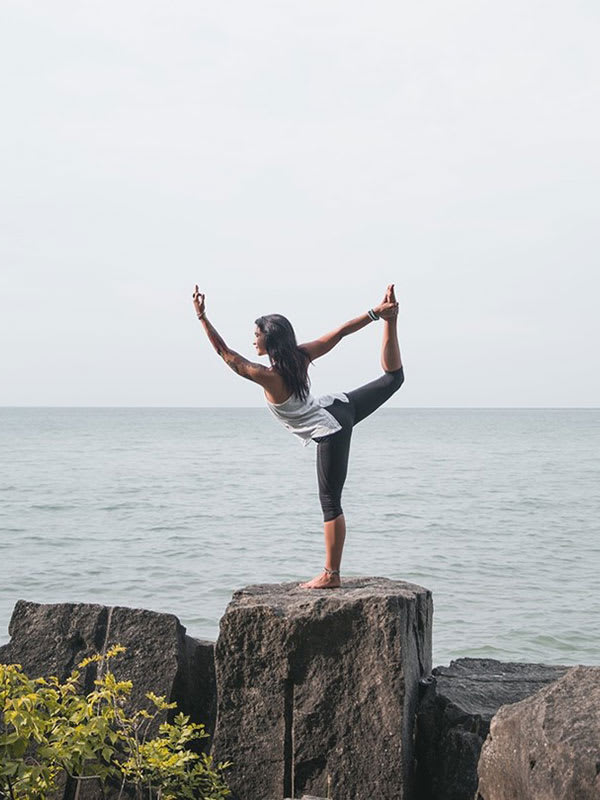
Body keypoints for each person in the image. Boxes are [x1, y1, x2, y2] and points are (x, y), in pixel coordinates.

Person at [192, 284, 404, 589]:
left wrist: (202, 317)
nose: (253, 339)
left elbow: (226, 355)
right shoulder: (301, 356)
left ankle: (331, 575)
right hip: (341, 406)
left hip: (330, 428)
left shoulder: (269, 377)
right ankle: (392, 322)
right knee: (393, 379)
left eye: (257, 335)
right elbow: (341, 332)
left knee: (331, 502)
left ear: (270, 339)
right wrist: (378, 314)